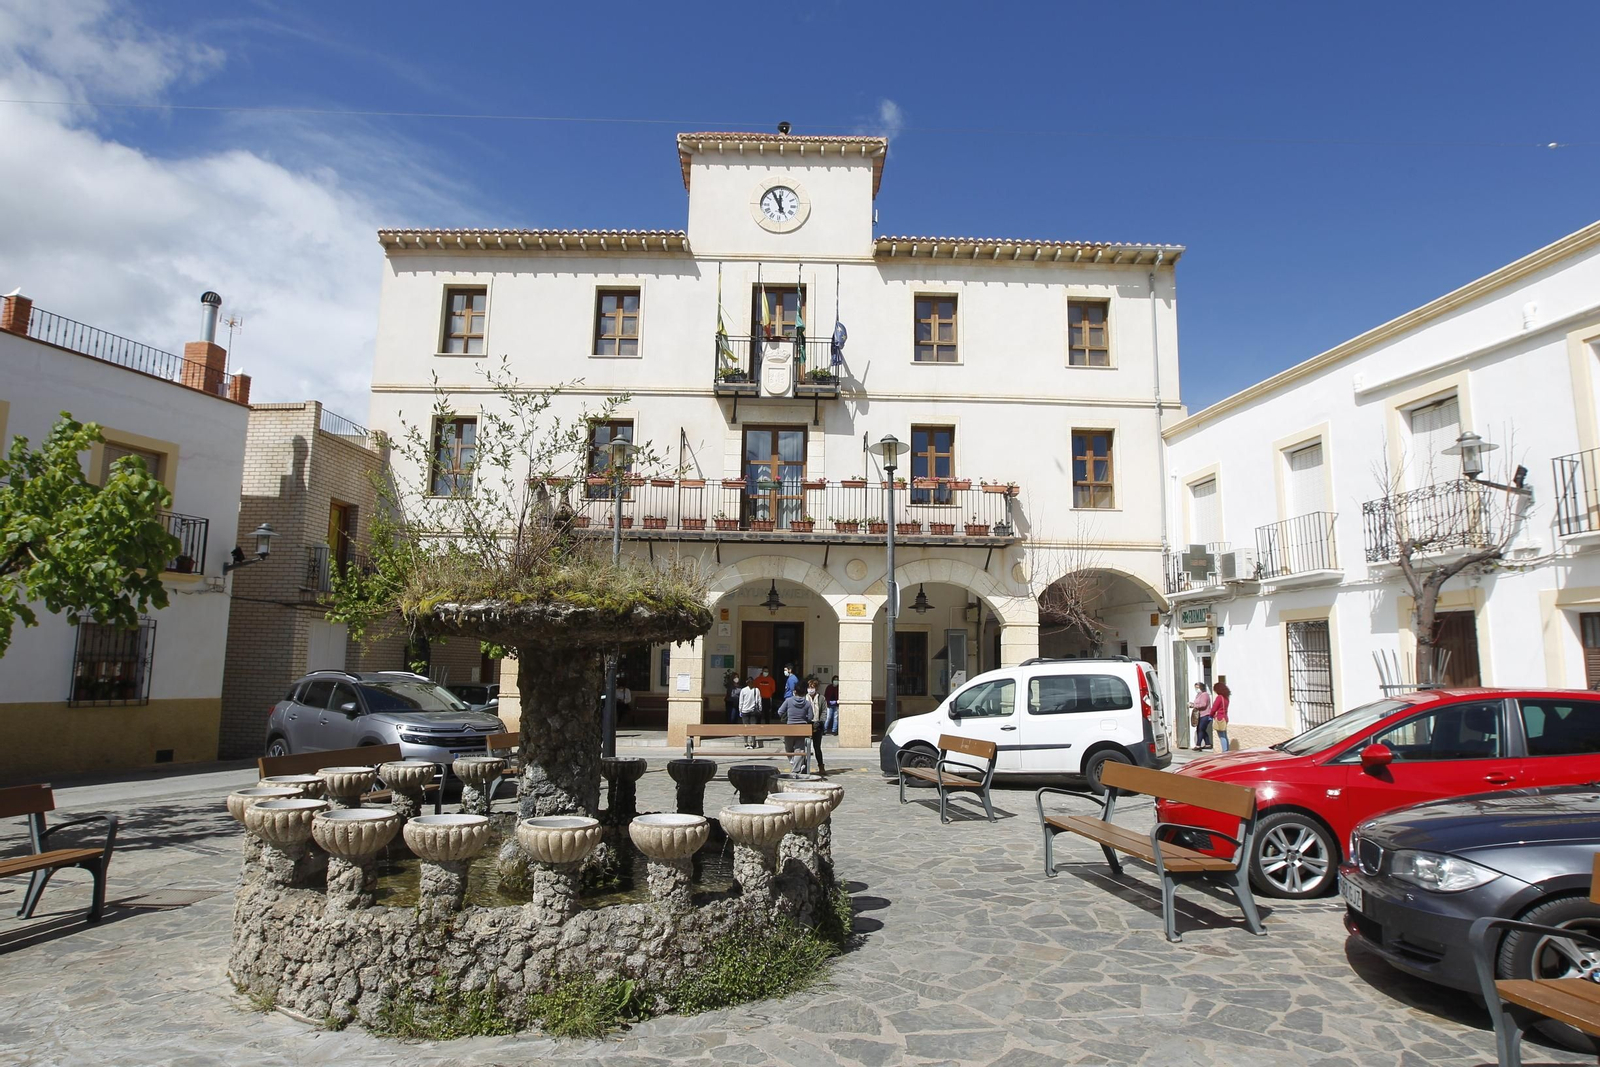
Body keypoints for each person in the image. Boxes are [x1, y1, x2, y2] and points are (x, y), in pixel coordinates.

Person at [777, 682, 815, 773]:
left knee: (789, 749)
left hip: (790, 728)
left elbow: (780, 712)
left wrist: (787, 717)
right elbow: (810, 717)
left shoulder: (788, 701)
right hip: (802, 729)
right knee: (799, 749)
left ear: (795, 691)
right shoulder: (807, 704)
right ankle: (796, 769)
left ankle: (794, 765)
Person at [805, 678, 827, 776]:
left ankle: (821, 766)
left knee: (817, 747)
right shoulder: (804, 698)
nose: (811, 689)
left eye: (812, 687)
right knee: (804, 747)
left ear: (816, 688)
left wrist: (821, 721)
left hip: (817, 725)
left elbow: (824, 711)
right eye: (809, 687)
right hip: (806, 724)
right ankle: (804, 767)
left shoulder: (821, 698)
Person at [739, 676, 764, 749]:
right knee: (753, 727)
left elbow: (741, 702)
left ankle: (746, 742)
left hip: (744, 711)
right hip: (753, 711)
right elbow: (759, 701)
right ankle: (753, 742)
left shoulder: (743, 690)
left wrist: (740, 710)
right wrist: (760, 709)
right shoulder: (757, 690)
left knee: (745, 727)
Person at [1189, 682, 1212, 751]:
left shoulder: (1205, 695)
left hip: (1205, 714)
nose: (1197, 689)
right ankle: (1208, 744)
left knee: (1200, 729)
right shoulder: (1198, 695)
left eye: (1198, 687)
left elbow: (1203, 704)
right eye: (1196, 687)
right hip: (1199, 715)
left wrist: (1194, 706)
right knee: (1202, 729)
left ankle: (1198, 745)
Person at [1210, 680, 1231, 753]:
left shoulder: (1219, 697)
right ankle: (1227, 750)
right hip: (1225, 717)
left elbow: (1214, 708)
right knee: (1224, 735)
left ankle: (1225, 751)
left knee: (1221, 736)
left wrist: (1211, 715)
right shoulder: (1226, 698)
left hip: (1220, 718)